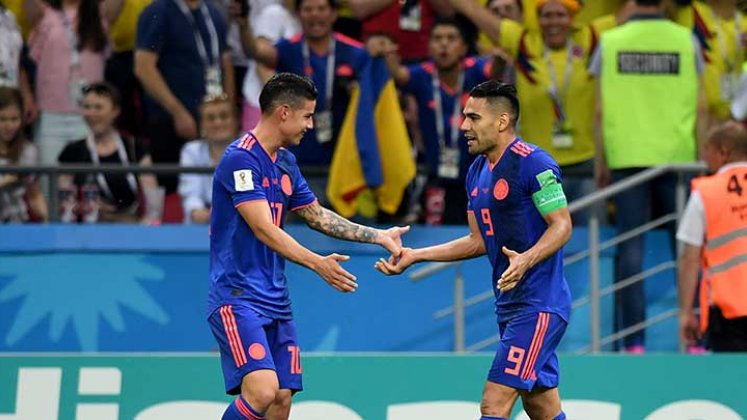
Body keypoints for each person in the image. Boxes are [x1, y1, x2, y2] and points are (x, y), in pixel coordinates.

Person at [208, 72, 409, 420]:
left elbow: (315, 215)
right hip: (238, 297)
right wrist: (318, 263)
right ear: (284, 112)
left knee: (282, 398)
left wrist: (377, 235)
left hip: (276, 300)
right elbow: (263, 229)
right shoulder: (240, 159)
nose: (311, 125)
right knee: (262, 390)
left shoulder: (285, 161)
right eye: (307, 115)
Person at [376, 81, 572, 420]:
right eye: (465, 117)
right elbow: (478, 241)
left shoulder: (534, 163)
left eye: (473, 117)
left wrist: (526, 259)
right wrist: (417, 255)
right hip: (509, 306)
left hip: (540, 304)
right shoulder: (476, 172)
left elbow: (562, 225)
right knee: (541, 406)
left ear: (502, 121)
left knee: (493, 404)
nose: (464, 126)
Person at [589, 0, 704, 352]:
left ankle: (633, 342)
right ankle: (696, 337)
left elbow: (598, 109)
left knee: (631, 249)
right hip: (680, 161)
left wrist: (601, 161)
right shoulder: (688, 40)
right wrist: (702, 159)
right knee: (689, 250)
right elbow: (700, 107)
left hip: (627, 158)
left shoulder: (610, 41)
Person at [370, 18, 499, 225]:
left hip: (477, 176)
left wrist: (501, 56)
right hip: (435, 177)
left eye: (451, 38)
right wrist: (384, 51)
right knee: (437, 237)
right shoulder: (423, 75)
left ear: (464, 47)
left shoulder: (475, 70)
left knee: (478, 236)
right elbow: (398, 75)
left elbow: (496, 73)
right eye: (438, 39)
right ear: (429, 46)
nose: (444, 44)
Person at [135, 0, 234, 197]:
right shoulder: (158, 11)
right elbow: (143, 67)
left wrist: (229, 110)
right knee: (175, 193)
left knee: (217, 188)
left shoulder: (213, 13)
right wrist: (177, 112)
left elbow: (225, 63)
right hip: (171, 122)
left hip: (211, 120)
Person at [25, 0, 123, 165]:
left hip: (89, 115)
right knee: (50, 181)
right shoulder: (43, 14)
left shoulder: (99, 14)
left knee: (88, 180)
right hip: (51, 115)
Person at [677, 121, 747, 352]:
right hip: (729, 314)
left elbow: (690, 257)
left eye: (707, 151)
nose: (704, 159)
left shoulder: (706, 192)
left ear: (723, 152)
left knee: (732, 384)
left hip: (729, 313)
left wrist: (686, 311)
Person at [57, 82, 162, 224]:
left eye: (98, 107)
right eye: (87, 107)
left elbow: (153, 205)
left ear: (115, 111)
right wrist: (84, 208)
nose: (91, 113)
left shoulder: (135, 148)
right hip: (87, 231)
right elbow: (64, 204)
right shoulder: (72, 152)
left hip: (130, 228)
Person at [178, 93, 237, 224]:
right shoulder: (191, 151)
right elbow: (191, 195)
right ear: (202, 125)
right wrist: (197, 212)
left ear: (235, 122)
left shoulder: (251, 150)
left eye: (224, 116)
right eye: (210, 118)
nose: (218, 123)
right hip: (202, 226)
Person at [0, 86, 47, 223]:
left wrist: (48, 221)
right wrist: (4, 183)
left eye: (14, 119)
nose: (9, 126)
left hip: (18, 225)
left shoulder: (29, 151)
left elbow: (35, 195)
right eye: (2, 119)